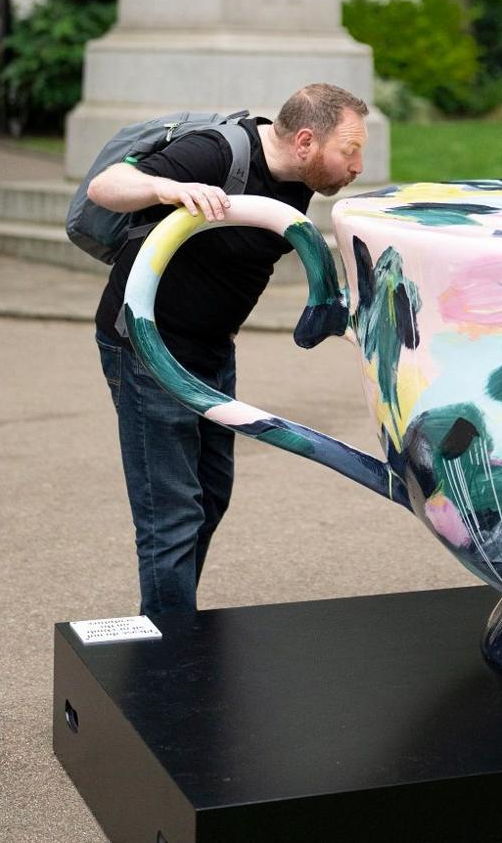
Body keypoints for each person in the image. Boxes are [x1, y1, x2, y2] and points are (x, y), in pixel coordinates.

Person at [90, 82, 369, 617]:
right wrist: (166, 190)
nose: (357, 166)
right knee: (171, 514)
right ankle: (169, 650)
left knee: (211, 494)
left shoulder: (295, 179)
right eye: (350, 150)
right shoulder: (217, 152)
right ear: (307, 141)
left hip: (212, 350)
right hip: (149, 352)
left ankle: (171, 616)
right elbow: (108, 185)